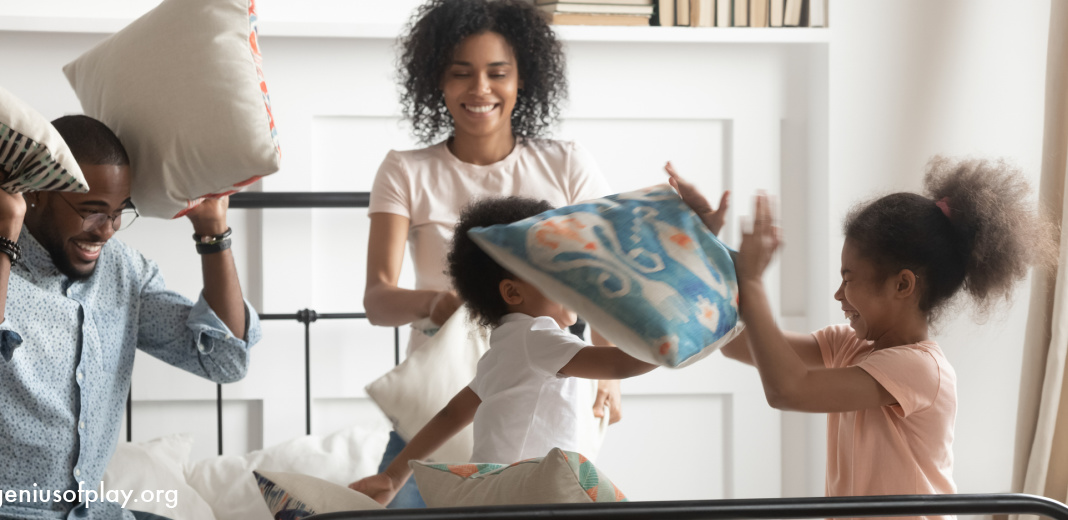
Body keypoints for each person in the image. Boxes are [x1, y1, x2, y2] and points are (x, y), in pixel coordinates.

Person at [670, 158, 1055, 519]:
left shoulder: (921, 369)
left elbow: (789, 390)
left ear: (902, 285)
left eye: (848, 279)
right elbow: (735, 343)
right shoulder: (848, 346)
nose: (838, 295)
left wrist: (752, 281)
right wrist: (704, 246)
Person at [0, 115, 261, 520]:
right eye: (92, 211)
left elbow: (225, 360)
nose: (107, 231)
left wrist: (213, 232)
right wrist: (4, 227)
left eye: (119, 212)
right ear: (35, 192)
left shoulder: (124, 272)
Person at [364, 0, 619, 507]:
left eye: (497, 73)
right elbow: (377, 300)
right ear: (437, 80)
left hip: (547, 387)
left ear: (523, 78)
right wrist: (438, 304)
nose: (480, 89)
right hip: (437, 394)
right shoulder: (405, 171)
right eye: (462, 74)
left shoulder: (567, 165)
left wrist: (609, 376)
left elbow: (604, 277)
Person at [352, 197, 658, 505]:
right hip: (526, 495)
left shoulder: (505, 347)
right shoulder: (539, 337)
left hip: (495, 496)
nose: (573, 283)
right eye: (558, 273)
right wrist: (676, 336)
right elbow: (620, 365)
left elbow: (450, 414)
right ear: (513, 291)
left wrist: (393, 476)